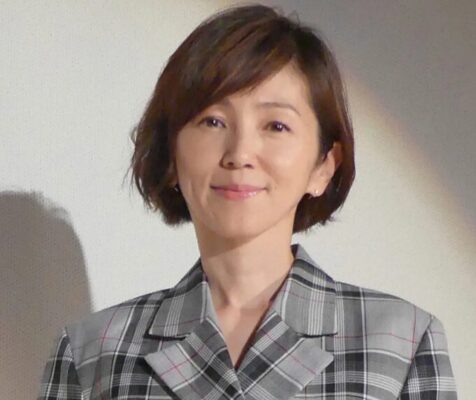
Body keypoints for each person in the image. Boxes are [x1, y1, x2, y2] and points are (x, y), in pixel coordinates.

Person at [38, 3, 457, 399]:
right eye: (213, 121)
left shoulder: (400, 342)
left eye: (276, 125)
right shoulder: (93, 351)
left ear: (323, 165)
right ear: (171, 155)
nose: (239, 154)